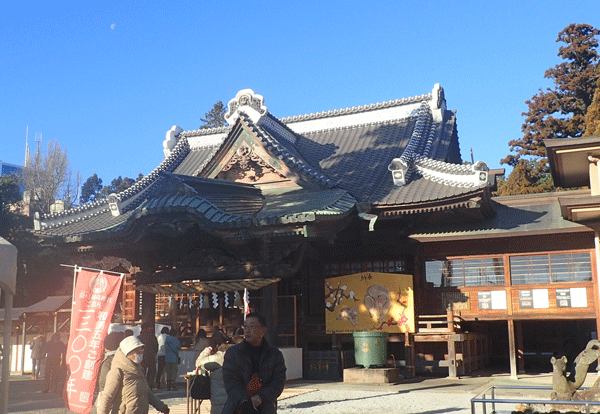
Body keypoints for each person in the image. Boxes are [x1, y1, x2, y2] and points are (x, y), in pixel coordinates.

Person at [222, 313, 286, 414]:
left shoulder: (274, 354)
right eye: (245, 326)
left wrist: (261, 397)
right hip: (237, 407)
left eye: (252, 326)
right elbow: (230, 381)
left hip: (265, 407)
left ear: (263, 331)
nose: (247, 330)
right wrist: (244, 400)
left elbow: (278, 381)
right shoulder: (233, 353)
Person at [96, 336, 170, 414]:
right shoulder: (118, 371)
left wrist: (161, 406)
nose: (140, 353)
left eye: (141, 350)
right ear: (128, 352)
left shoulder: (139, 369)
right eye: (137, 351)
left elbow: (147, 392)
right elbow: (107, 397)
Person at [195, 332, 232, 414]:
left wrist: (208, 349)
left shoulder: (215, 358)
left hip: (218, 402)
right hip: (234, 400)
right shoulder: (235, 355)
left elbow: (198, 362)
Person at [138, 322, 158, 389]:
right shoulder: (152, 337)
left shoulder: (139, 337)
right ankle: (149, 386)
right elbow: (156, 347)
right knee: (152, 372)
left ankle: (142, 386)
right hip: (151, 357)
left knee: (142, 372)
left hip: (142, 357)